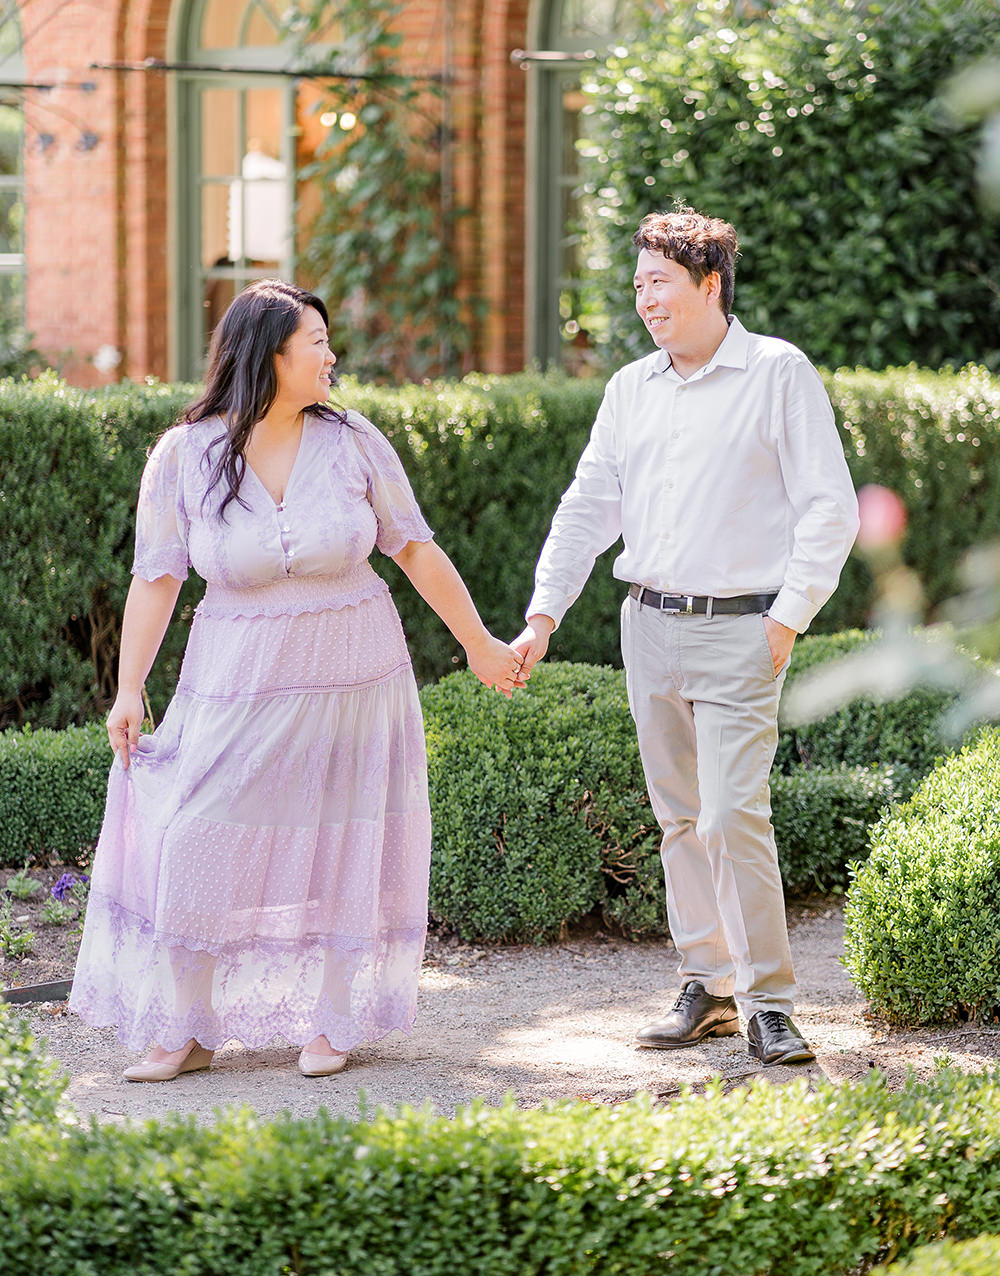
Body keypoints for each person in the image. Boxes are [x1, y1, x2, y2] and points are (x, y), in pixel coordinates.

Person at [69, 280, 523, 1082]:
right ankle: (187, 1027)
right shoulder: (185, 454)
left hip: (356, 675)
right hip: (233, 681)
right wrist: (129, 687)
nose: (330, 354)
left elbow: (413, 546)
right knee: (196, 835)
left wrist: (482, 644)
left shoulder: (353, 442)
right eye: (315, 340)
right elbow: (156, 576)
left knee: (346, 837)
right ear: (267, 354)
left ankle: (333, 1021)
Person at [512, 208, 859, 1066]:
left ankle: (770, 1003)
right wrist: (544, 613)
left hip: (743, 628)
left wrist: (788, 617)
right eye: (637, 286)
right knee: (678, 819)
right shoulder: (631, 388)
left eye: (658, 281)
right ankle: (707, 986)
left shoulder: (778, 372)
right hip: (649, 627)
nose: (644, 300)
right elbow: (589, 506)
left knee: (735, 815)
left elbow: (831, 505)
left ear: (710, 283)